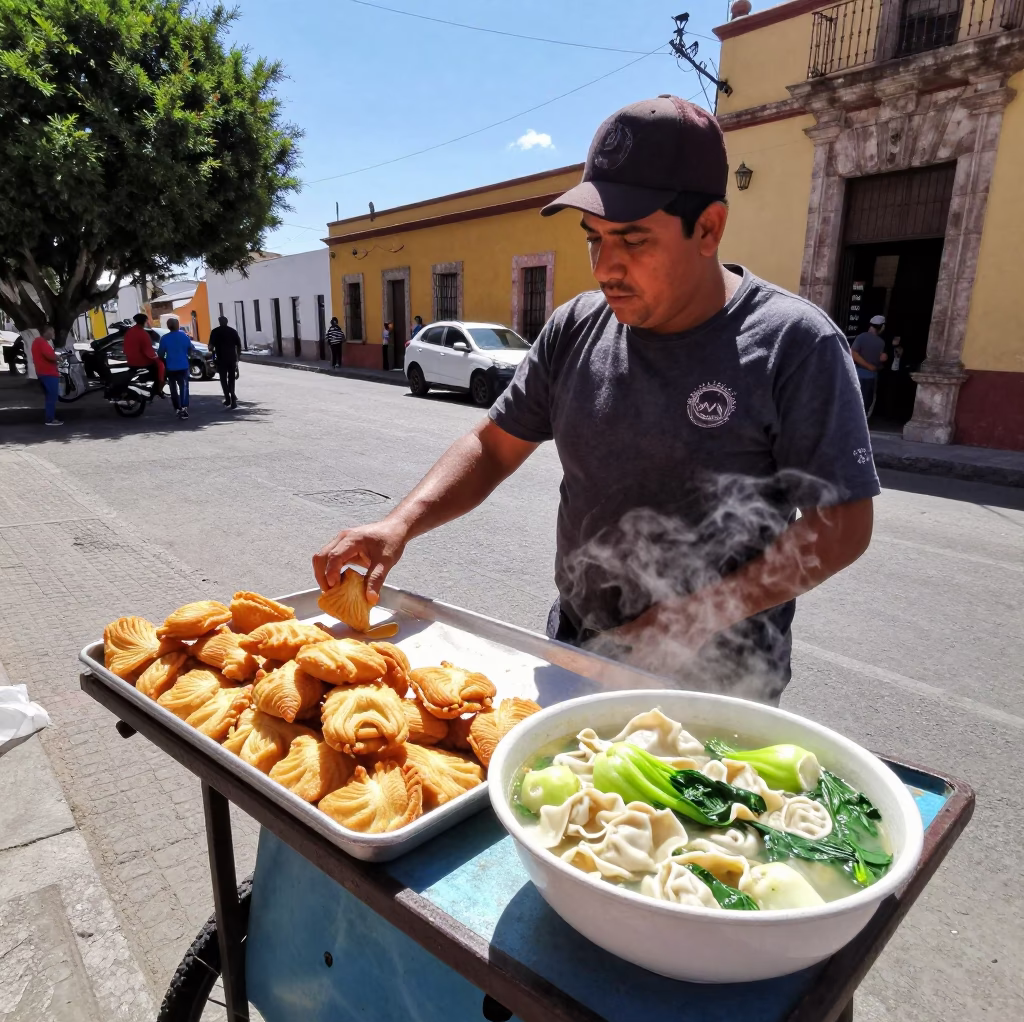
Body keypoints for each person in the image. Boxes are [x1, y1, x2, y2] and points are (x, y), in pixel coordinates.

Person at [313, 96, 879, 705]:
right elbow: (493, 445)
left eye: (633, 240)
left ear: (709, 228)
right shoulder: (575, 325)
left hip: (719, 683)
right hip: (577, 649)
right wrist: (399, 523)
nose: (605, 266)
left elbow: (842, 525)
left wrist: (681, 623)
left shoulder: (793, 343)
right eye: (594, 239)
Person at [158, 317, 197, 419]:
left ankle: (177, 408)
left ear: (168, 326)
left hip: (170, 366)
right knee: (184, 387)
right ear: (178, 325)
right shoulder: (184, 336)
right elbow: (191, 349)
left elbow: (160, 354)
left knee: (173, 388)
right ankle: (184, 407)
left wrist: (164, 361)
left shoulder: (164, 338)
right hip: (183, 365)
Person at [851, 315, 889, 415]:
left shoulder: (861, 337)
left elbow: (853, 353)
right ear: (881, 327)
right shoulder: (881, 343)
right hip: (870, 376)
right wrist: (870, 366)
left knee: (855, 399)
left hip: (857, 374)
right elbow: (853, 354)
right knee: (867, 402)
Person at [123, 313, 165, 397]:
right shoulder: (143, 334)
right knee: (160, 366)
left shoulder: (129, 332)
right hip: (141, 361)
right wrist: (157, 358)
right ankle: (158, 390)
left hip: (130, 359)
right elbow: (148, 352)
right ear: (145, 321)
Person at [208, 315, 242, 408]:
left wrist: (212, 352)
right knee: (231, 378)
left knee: (223, 379)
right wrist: (238, 357)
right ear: (227, 322)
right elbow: (239, 345)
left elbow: (210, 347)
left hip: (221, 359)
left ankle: (228, 399)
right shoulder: (233, 331)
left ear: (219, 322)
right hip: (232, 358)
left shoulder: (215, 332)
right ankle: (233, 397)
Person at [31, 326, 62, 426]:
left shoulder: (37, 342)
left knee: (50, 397)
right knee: (51, 397)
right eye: (52, 332)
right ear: (46, 332)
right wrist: (58, 357)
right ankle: (50, 419)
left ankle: (50, 417)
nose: (53, 334)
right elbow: (50, 355)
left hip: (43, 372)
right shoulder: (41, 342)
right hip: (48, 373)